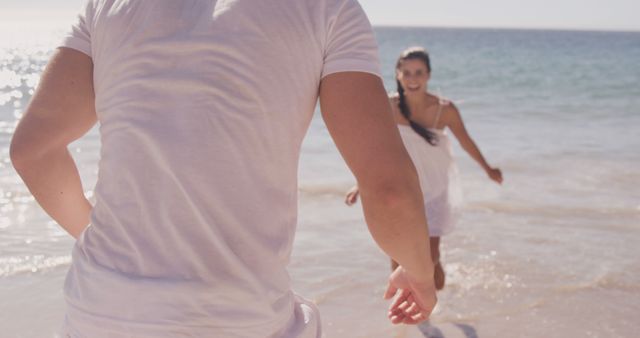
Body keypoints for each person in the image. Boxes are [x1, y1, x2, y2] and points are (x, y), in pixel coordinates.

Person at [10, 1, 437, 337]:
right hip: (237, 315)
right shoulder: (329, 9)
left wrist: (104, 240)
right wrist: (419, 274)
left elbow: (33, 151)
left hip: (100, 313)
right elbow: (389, 189)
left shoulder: (107, 7)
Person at [346, 47, 503, 291]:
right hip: (399, 187)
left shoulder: (444, 110)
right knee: (397, 256)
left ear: (428, 75)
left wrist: (488, 168)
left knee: (429, 258)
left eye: (419, 72)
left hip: (435, 190)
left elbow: (465, 140)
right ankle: (407, 316)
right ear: (398, 75)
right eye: (406, 72)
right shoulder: (388, 105)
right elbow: (374, 146)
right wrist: (360, 182)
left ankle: (435, 307)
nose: (412, 79)